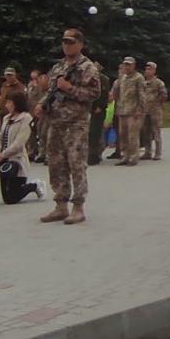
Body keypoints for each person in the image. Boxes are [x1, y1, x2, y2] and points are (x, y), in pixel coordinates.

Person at [35, 27, 101, 224]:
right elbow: (52, 90)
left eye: (71, 42)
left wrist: (70, 88)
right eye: (64, 42)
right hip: (56, 122)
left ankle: (78, 207)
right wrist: (41, 104)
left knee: (76, 163)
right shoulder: (58, 67)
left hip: (76, 123)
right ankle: (60, 205)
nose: (66, 45)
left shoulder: (87, 67)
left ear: (80, 44)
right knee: (56, 163)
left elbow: (94, 94)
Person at [0, 90, 46, 204]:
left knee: (12, 198)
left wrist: (3, 154)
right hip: (4, 161)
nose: (7, 105)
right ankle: (25, 187)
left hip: (17, 160)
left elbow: (19, 143)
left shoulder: (26, 118)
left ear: (17, 103)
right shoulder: (6, 118)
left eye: (9, 102)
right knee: (6, 198)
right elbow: (0, 137)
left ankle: (34, 185)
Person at [113, 57, 146, 166]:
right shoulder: (122, 78)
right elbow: (117, 93)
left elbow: (141, 95)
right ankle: (125, 155)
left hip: (133, 110)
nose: (127, 67)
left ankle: (133, 156)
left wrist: (140, 109)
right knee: (123, 135)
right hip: (122, 110)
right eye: (125, 64)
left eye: (129, 65)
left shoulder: (138, 78)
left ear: (134, 65)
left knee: (132, 135)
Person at [140, 61, 168, 160]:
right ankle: (147, 152)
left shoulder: (158, 83)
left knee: (156, 132)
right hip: (145, 110)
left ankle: (158, 153)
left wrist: (158, 104)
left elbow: (164, 95)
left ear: (154, 71)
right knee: (146, 132)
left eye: (150, 69)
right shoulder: (142, 83)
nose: (147, 71)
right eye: (146, 69)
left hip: (155, 110)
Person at [87, 65, 111, 165]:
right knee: (89, 133)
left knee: (95, 133)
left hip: (98, 110)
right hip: (88, 109)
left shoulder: (103, 79)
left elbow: (104, 94)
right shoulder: (88, 79)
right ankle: (89, 154)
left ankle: (94, 155)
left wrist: (100, 106)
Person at [26, 70, 46, 161]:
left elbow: (43, 97)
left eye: (35, 77)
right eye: (32, 78)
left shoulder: (42, 85)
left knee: (41, 132)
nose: (33, 79)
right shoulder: (30, 85)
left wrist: (37, 87)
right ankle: (31, 152)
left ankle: (42, 153)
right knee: (30, 133)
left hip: (40, 112)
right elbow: (28, 97)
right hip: (30, 111)